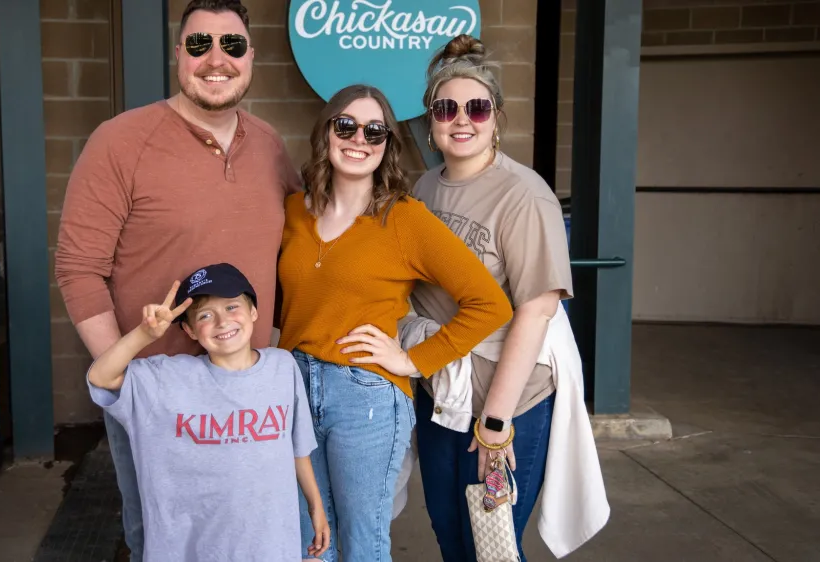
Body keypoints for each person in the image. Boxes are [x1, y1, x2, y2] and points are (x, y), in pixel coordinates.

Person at [53, 1, 300, 559]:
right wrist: (126, 383)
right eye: (198, 44)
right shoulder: (120, 141)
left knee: (252, 535)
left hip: (249, 395)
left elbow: (294, 252)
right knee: (161, 539)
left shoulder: (269, 145)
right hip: (160, 400)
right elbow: (78, 267)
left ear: (251, 57)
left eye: (231, 45)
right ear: (178, 54)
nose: (216, 59)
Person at [276, 83, 514, 561]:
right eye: (347, 126)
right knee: (309, 543)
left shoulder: (403, 219)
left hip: (365, 397)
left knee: (362, 545)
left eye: (375, 131)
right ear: (326, 132)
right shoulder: (294, 211)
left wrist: (412, 360)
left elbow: (491, 304)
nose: (359, 139)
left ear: (387, 145)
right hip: (294, 388)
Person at [406, 34, 609, 561]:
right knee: (450, 533)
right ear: (430, 121)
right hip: (441, 392)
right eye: (446, 109)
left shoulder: (525, 195)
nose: (461, 120)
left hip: (507, 400)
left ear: (496, 117)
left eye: (477, 108)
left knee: (491, 544)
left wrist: (496, 422)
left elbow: (538, 309)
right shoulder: (423, 189)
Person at [86, 263, 330, 561]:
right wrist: (144, 335)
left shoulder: (282, 367)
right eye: (205, 315)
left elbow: (298, 448)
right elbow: (101, 377)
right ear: (189, 329)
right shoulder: (167, 379)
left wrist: (316, 507)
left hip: (268, 544)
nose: (222, 321)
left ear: (254, 311)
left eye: (232, 307)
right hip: (190, 548)